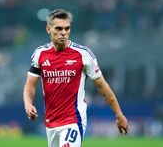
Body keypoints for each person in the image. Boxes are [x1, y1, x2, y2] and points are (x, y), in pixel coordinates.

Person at [23, 9, 128, 147]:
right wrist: (28, 104)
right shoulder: (40, 54)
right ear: (48, 29)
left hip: (73, 119)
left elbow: (102, 86)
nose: (63, 32)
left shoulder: (83, 54)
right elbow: (30, 85)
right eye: (59, 28)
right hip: (51, 121)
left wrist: (119, 114)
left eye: (67, 29)